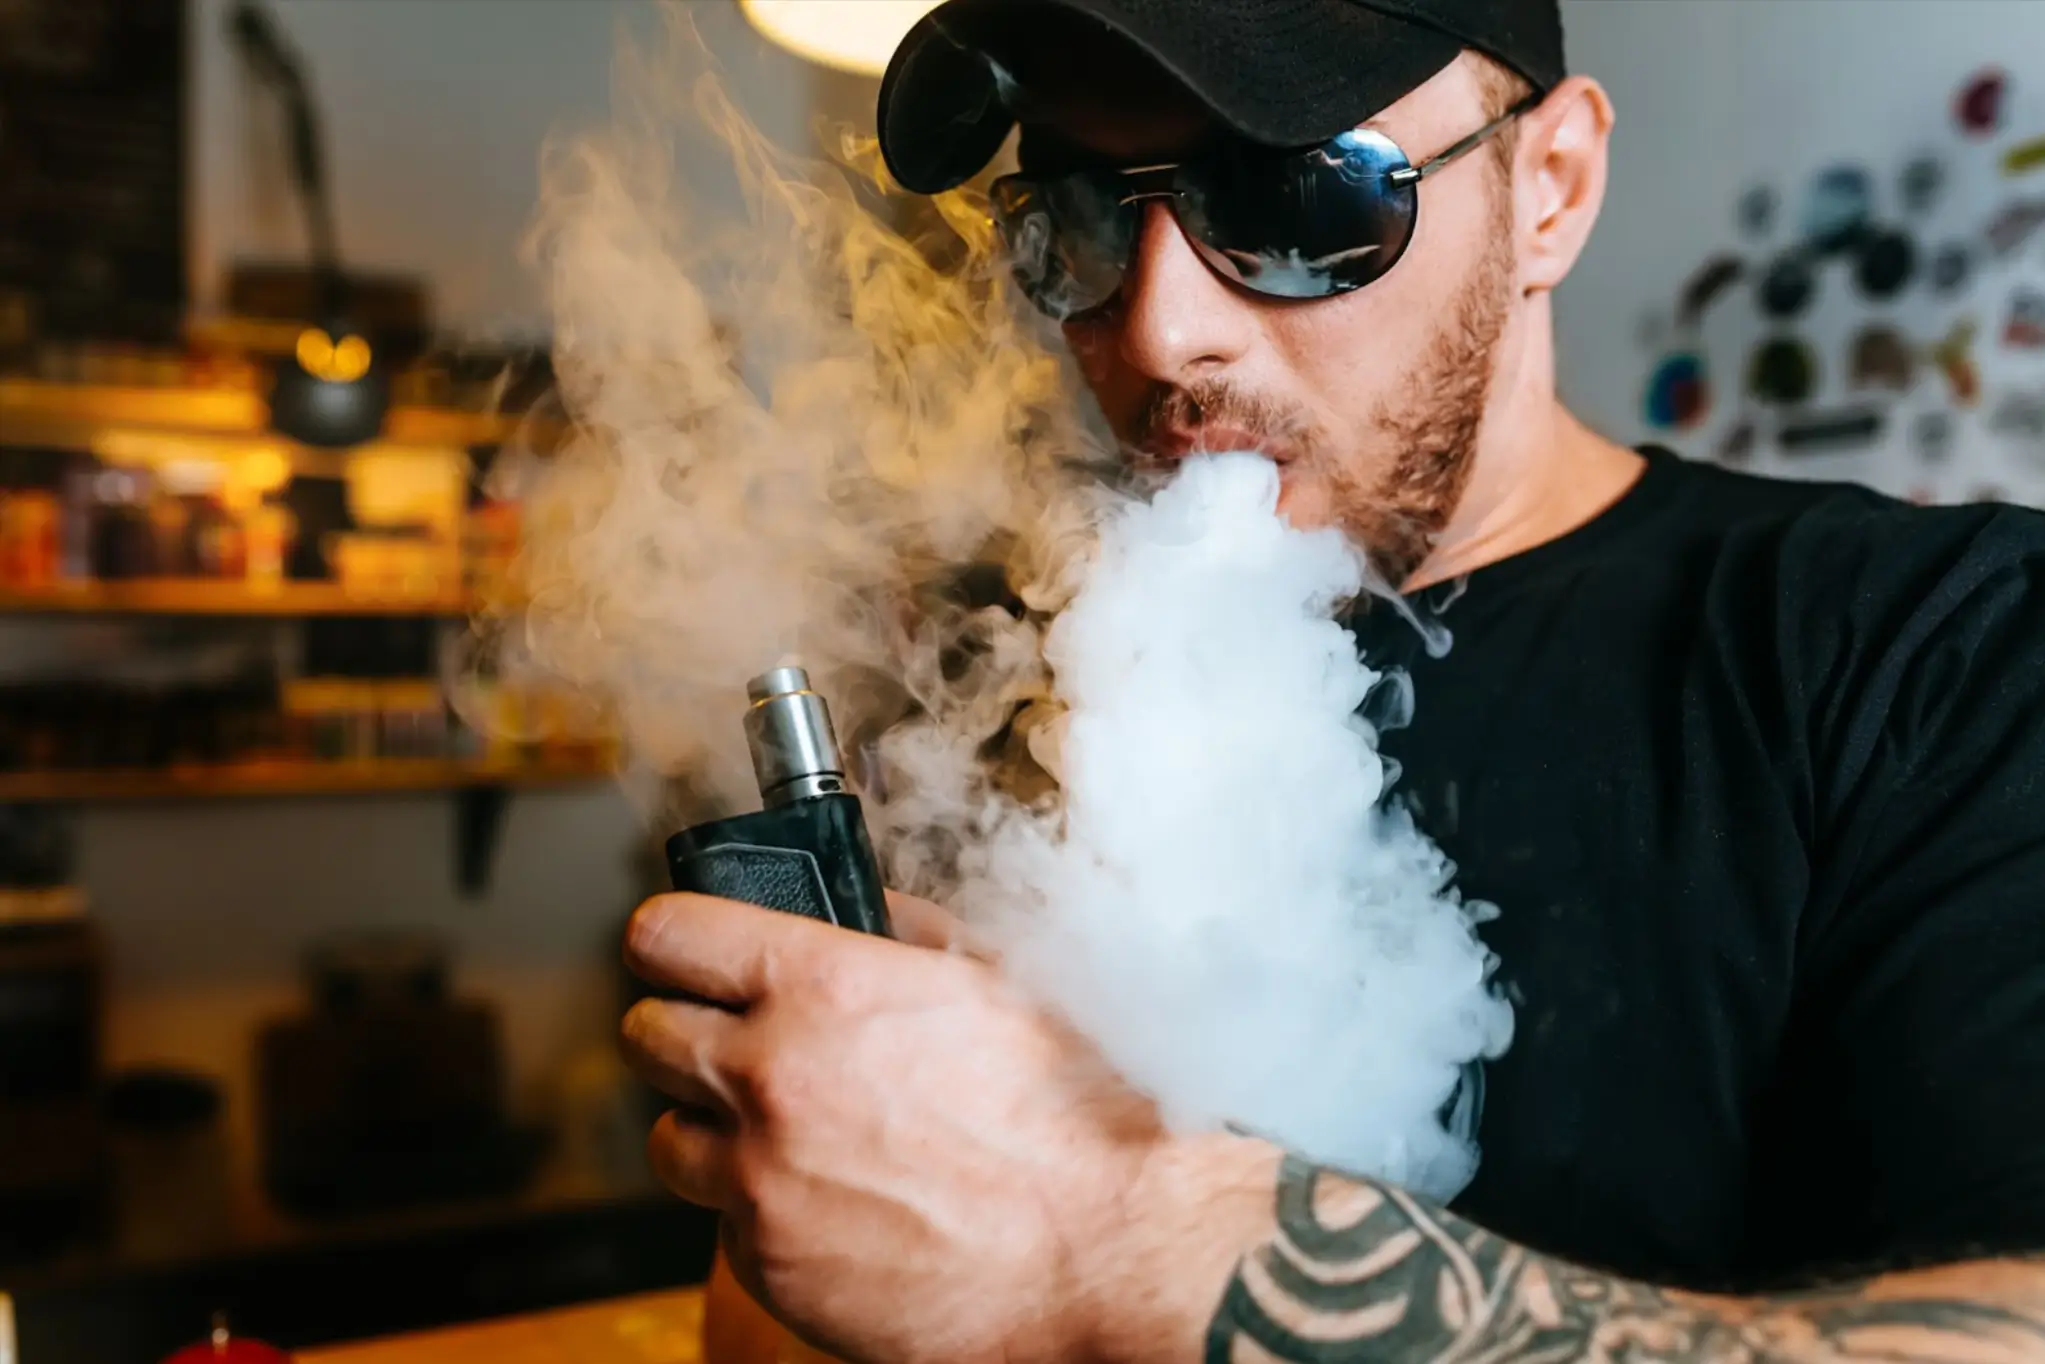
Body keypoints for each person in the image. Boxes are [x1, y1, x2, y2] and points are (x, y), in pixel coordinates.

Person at [621, 1, 2045, 1361]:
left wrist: (1100, 1240)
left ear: (1551, 185)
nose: (1159, 331)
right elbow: (797, 1300)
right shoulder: (1013, 688)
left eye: (1295, 200)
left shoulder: (1937, 646)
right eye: (1076, 219)